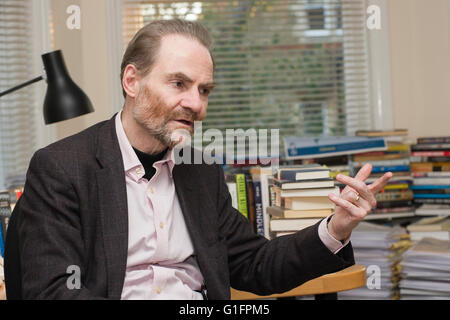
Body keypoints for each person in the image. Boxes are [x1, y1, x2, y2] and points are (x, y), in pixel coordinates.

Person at [6, 19, 392, 300]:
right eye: (179, 84)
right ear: (132, 81)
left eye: (203, 90)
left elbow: (255, 264)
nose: (196, 104)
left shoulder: (199, 171)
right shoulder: (62, 167)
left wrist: (336, 228)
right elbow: (54, 291)